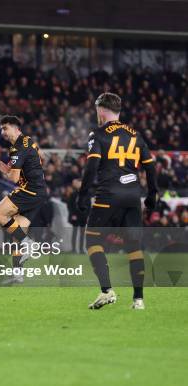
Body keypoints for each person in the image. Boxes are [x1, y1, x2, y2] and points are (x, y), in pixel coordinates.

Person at [76, 92, 158, 310]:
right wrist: (152, 195)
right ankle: (138, 300)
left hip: (108, 195)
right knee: (134, 247)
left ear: (101, 110)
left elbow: (91, 166)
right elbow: (150, 167)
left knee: (93, 241)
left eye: (97, 111)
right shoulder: (135, 135)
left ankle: (106, 291)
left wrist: (83, 194)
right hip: (133, 197)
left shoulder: (98, 134)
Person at [0, 115, 48, 284]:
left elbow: (14, 179)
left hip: (28, 191)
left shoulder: (17, 148)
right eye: (2, 129)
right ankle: (17, 274)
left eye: (6, 128)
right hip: (39, 192)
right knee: (16, 232)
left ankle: (29, 244)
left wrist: (6, 172)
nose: (3, 132)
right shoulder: (28, 140)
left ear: (16, 129)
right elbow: (42, 156)